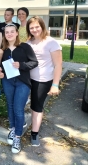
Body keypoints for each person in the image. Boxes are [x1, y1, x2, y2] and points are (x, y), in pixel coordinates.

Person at [0, 24, 38, 154]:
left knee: (18, 109)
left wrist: (21, 65)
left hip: (22, 82)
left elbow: (34, 62)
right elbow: (2, 67)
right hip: (8, 81)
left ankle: (17, 137)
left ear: (16, 33)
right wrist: (0, 71)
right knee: (10, 105)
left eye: (11, 32)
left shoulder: (25, 47)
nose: (9, 34)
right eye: (7, 32)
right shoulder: (3, 49)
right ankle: (13, 129)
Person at [26, 16, 62, 147]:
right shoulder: (29, 43)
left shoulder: (51, 42)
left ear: (42, 26)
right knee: (30, 103)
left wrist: (55, 84)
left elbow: (58, 65)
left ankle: (34, 133)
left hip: (43, 80)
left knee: (37, 106)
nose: (34, 29)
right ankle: (29, 123)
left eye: (37, 26)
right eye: (31, 27)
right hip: (28, 79)